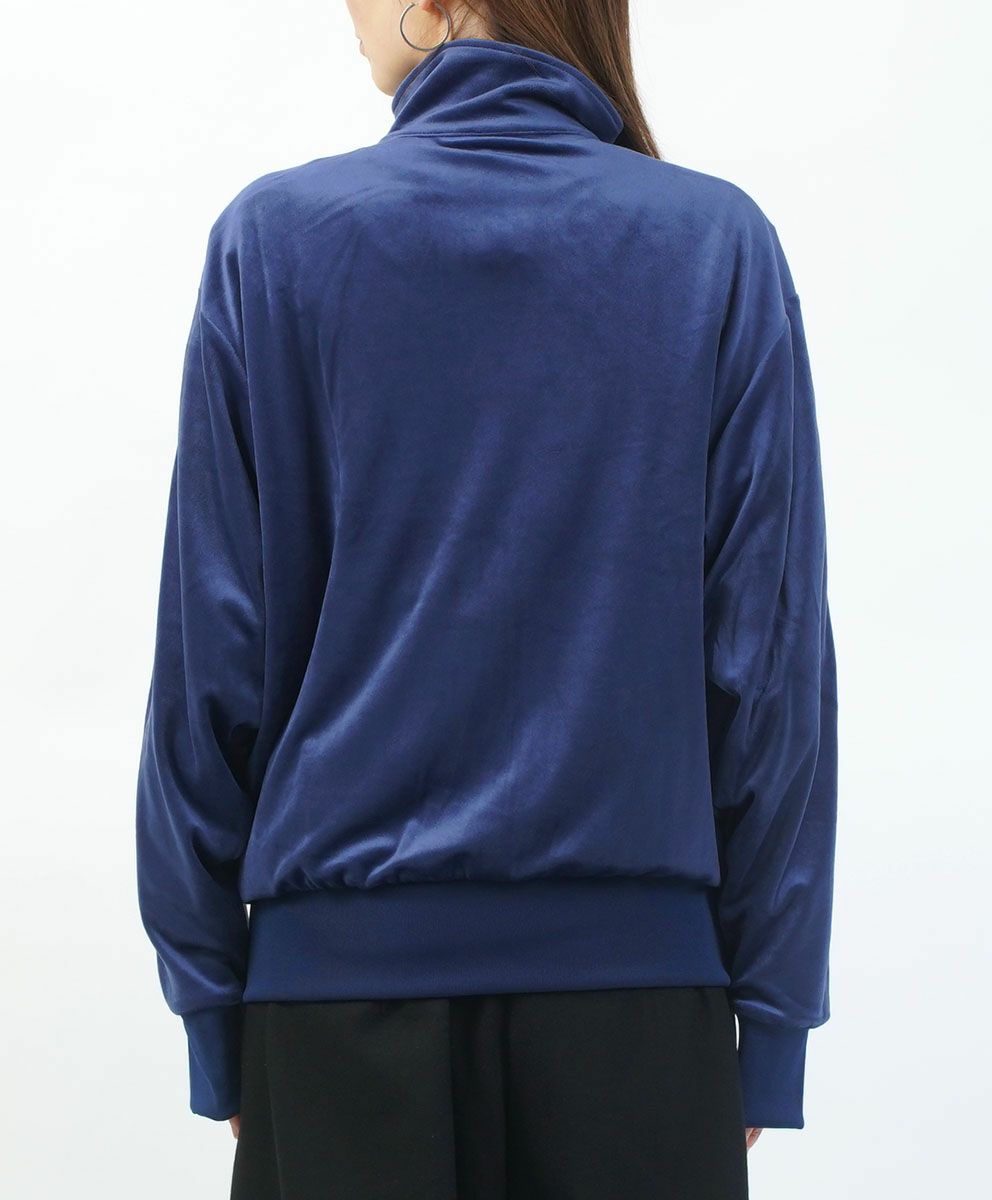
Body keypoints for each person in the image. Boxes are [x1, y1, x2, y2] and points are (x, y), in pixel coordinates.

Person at [134, 1, 839, 1196]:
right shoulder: (714, 244)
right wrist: (766, 1029)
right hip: (638, 1027)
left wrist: (216, 1010)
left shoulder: (275, 240)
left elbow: (210, 663)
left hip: (335, 1022)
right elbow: (769, 676)